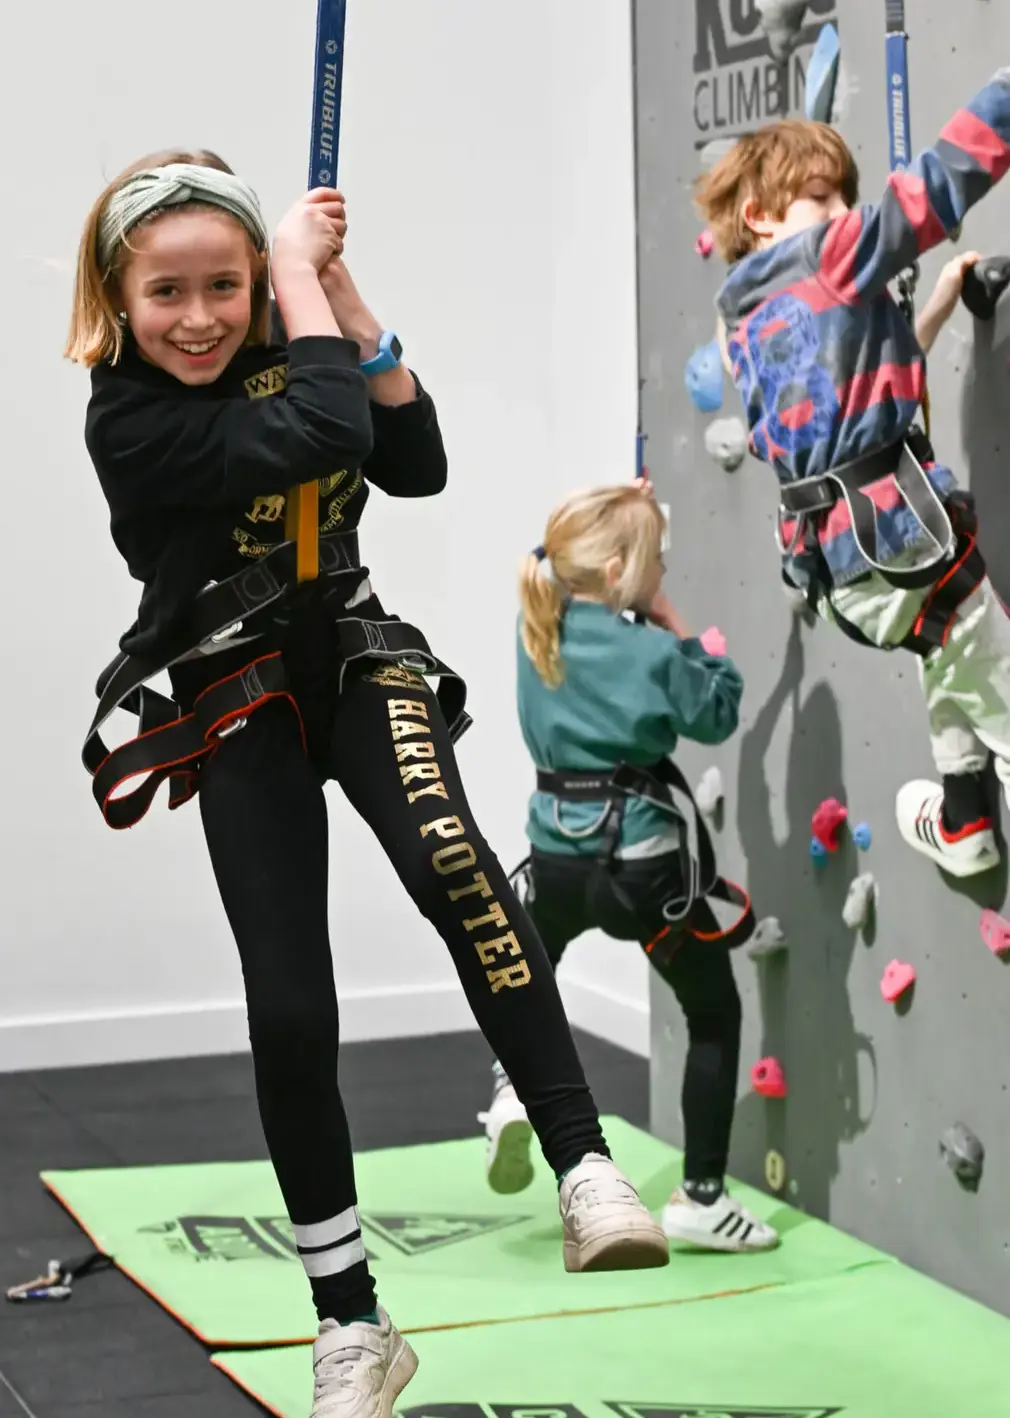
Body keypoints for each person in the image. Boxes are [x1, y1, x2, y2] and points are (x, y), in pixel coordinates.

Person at [66, 151, 668, 1418]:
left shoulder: (301, 332)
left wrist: (343, 294)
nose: (199, 317)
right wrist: (292, 276)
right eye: (167, 292)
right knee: (290, 1004)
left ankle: (584, 1164)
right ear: (119, 301)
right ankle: (352, 1324)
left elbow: (413, 454)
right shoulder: (127, 414)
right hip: (236, 695)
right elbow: (327, 431)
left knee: (454, 863)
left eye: (225, 283)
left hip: (352, 660)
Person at [695, 70, 1010, 879]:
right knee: (996, 677)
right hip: (904, 533)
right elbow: (937, 185)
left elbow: (857, 396)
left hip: (848, 566)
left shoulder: (746, 321)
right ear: (761, 217)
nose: (844, 216)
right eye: (824, 198)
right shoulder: (832, 256)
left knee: (946, 651)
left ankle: (966, 821)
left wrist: (926, 308)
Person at [478, 483, 779, 1253]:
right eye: (656, 561)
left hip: (554, 864)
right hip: (641, 875)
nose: (662, 571)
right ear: (617, 573)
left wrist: (617, 506)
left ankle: (514, 1093)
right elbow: (717, 710)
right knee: (713, 1015)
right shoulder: (651, 650)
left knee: (530, 984)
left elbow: (570, 548)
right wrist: (681, 629)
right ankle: (702, 1199)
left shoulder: (534, 629)